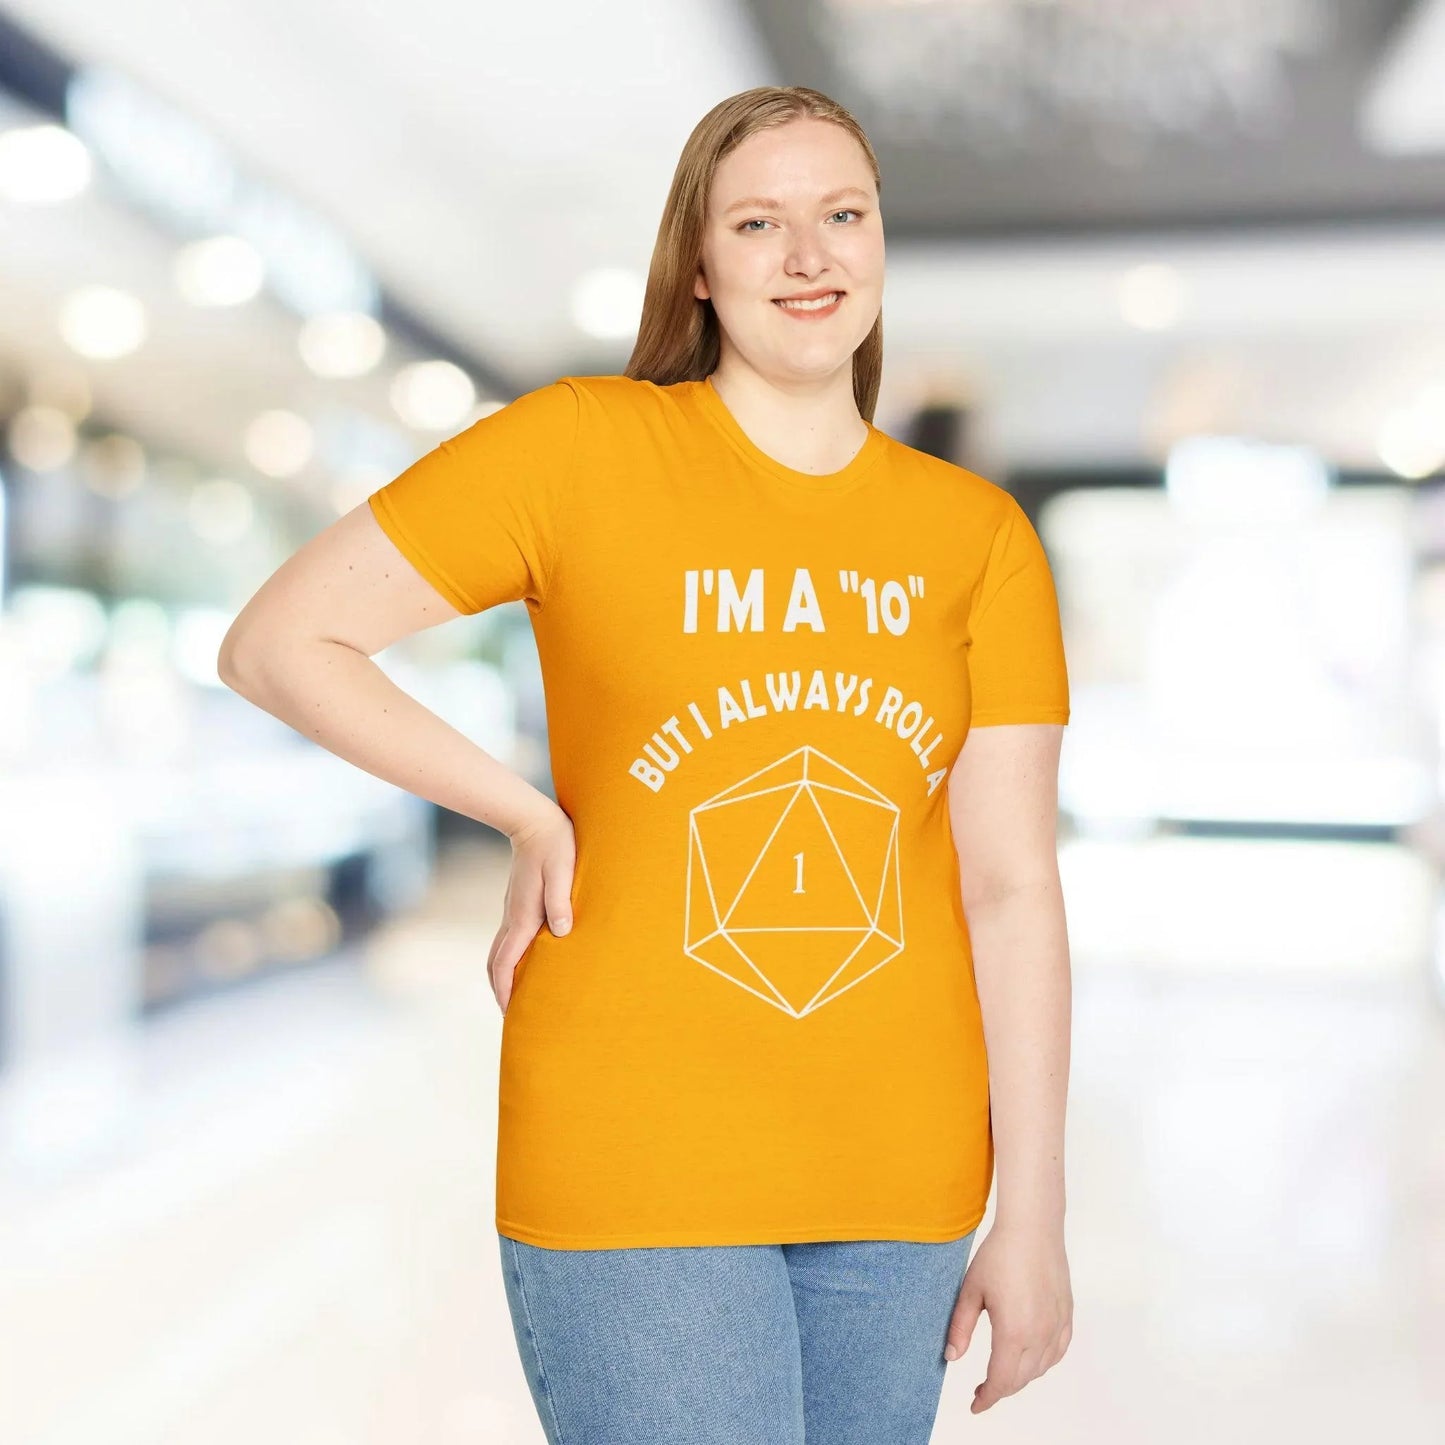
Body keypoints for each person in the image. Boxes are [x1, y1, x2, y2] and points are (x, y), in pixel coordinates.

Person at [219, 83, 1073, 1444]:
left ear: (877, 243)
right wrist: (521, 811)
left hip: (899, 1170)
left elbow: (1010, 887)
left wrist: (1031, 1214)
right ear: (700, 265)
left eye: (840, 213)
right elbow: (280, 640)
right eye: (759, 221)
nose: (808, 255)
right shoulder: (580, 449)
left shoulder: (973, 537)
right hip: (635, 1149)